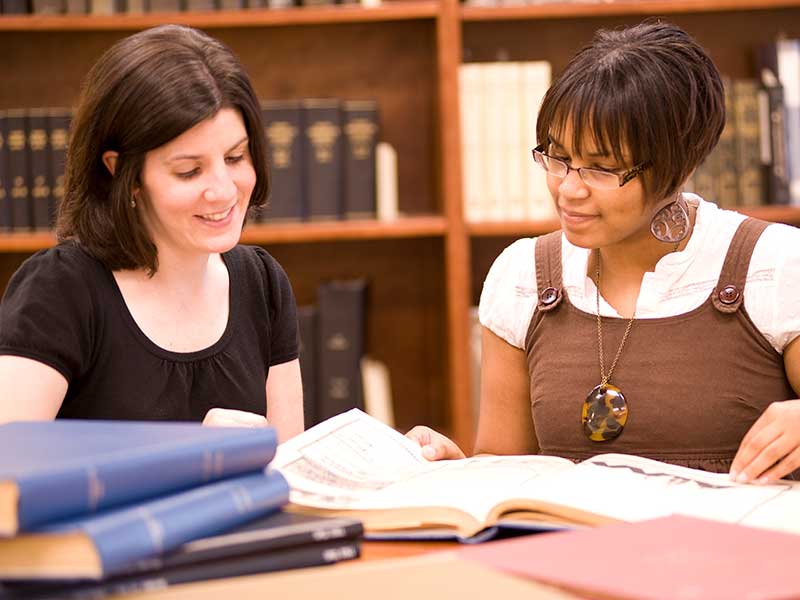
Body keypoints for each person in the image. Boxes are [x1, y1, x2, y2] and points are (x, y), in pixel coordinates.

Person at [408, 20, 800, 484]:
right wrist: (457, 472)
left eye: (601, 168)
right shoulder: (522, 277)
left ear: (680, 165)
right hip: (569, 552)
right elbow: (505, 472)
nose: (568, 189)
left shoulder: (773, 265)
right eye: (557, 157)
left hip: (729, 551)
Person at [0, 25, 303, 440]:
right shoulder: (61, 290)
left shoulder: (262, 283)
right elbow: (9, 480)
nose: (224, 190)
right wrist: (187, 458)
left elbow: (288, 472)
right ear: (121, 172)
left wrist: (395, 463)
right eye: (188, 171)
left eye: (235, 157)